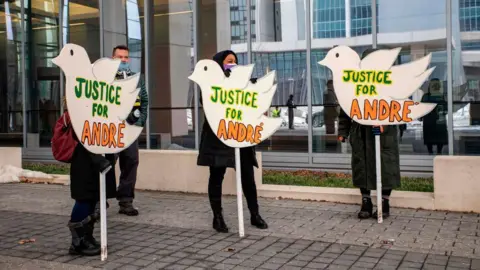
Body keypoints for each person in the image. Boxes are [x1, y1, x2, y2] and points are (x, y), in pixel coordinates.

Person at [197, 50, 268, 233]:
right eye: (229, 61)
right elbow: (207, 104)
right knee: (216, 177)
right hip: (218, 138)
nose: (233, 64)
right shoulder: (211, 84)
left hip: (241, 137)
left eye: (235, 61)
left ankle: (255, 214)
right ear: (219, 64)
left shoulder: (243, 82)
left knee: (247, 177)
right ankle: (217, 217)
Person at [338, 48, 401, 219]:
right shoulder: (354, 84)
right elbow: (346, 108)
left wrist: (385, 122)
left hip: (384, 132)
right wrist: (343, 131)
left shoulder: (389, 83)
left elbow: (398, 107)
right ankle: (366, 201)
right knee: (362, 167)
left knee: (386, 167)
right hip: (361, 133)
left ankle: (384, 202)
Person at [62, 97, 117, 256]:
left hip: (99, 157)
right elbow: (80, 132)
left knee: (94, 198)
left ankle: (87, 236)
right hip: (86, 160)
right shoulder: (80, 102)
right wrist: (97, 158)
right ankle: (77, 242)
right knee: (84, 198)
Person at [112, 45, 149, 216]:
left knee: (131, 162)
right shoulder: (105, 79)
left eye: (126, 57)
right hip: (110, 130)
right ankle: (98, 202)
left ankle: (126, 201)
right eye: (119, 57)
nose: (123, 60)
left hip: (130, 130)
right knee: (106, 165)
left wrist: (139, 123)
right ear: (113, 58)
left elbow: (145, 101)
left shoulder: (136, 78)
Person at [421, 78, 447, 155]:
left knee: (438, 136)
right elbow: (421, 107)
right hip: (431, 119)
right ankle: (432, 151)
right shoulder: (426, 96)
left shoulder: (440, 96)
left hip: (436, 119)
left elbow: (445, 107)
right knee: (431, 136)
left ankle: (436, 151)